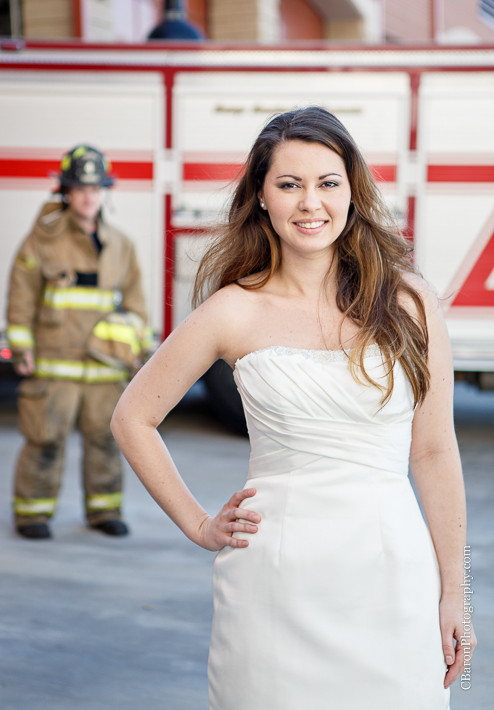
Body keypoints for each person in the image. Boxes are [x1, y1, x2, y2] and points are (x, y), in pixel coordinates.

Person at [111, 107, 476, 709]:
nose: (311, 203)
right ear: (261, 196)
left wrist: (455, 593)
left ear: (353, 192)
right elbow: (133, 417)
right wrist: (200, 524)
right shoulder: (233, 311)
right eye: (289, 184)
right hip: (273, 582)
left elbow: (435, 451)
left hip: (393, 576)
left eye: (328, 183)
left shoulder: (410, 301)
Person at [7, 145, 148, 540]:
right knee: (44, 440)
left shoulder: (121, 245)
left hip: (106, 366)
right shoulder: (41, 241)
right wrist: (22, 346)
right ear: (66, 192)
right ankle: (31, 514)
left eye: (95, 188)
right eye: (79, 188)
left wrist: (133, 346)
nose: (88, 196)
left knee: (106, 441)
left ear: (104, 192)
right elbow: (21, 294)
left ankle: (104, 512)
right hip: (55, 364)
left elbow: (137, 304)